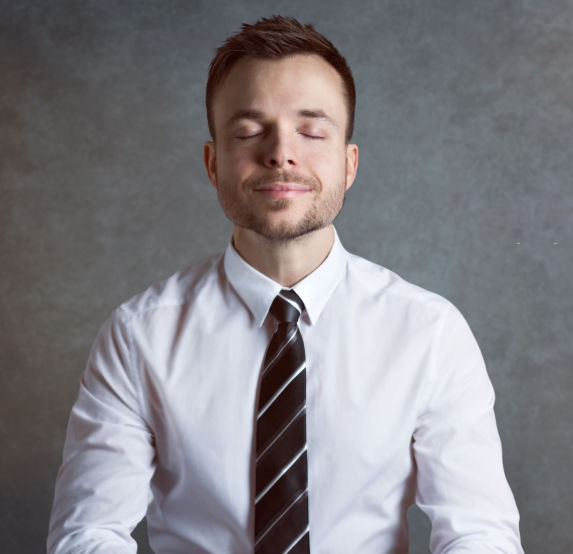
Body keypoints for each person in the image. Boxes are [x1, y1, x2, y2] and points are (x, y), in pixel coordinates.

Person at [48, 15, 523, 553]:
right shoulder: (138, 337)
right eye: (249, 132)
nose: (280, 153)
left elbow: (478, 535)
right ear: (212, 162)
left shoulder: (429, 333)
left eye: (312, 131)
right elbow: (88, 535)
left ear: (349, 163)